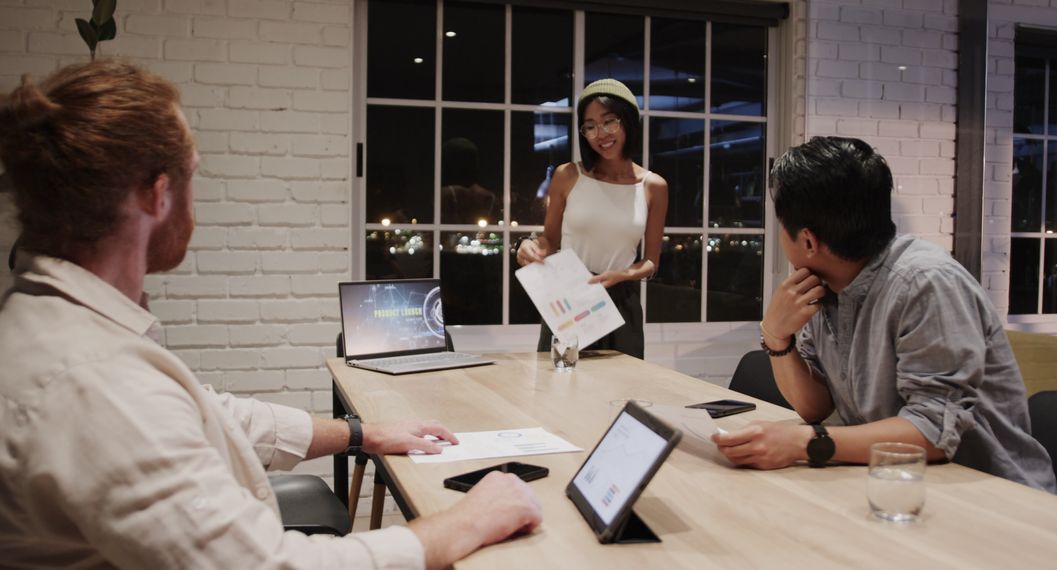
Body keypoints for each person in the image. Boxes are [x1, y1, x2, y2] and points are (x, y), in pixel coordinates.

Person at [0, 60, 541, 569]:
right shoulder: (92, 382)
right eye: (194, 178)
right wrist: (465, 522)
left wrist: (363, 433)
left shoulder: (65, 329)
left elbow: (218, 415)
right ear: (158, 196)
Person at [711, 136, 1056, 493]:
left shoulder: (924, 283)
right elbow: (816, 406)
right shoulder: (823, 286)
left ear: (809, 241)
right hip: (895, 480)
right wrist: (778, 338)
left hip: (991, 495)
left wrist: (803, 443)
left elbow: (933, 431)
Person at [515, 79, 668, 359]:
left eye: (609, 121)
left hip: (623, 302)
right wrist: (528, 245)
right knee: (558, 388)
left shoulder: (653, 186)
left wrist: (622, 275)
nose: (601, 134)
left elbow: (651, 262)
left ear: (628, 122)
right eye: (590, 126)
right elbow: (550, 239)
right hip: (570, 296)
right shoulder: (568, 175)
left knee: (619, 392)